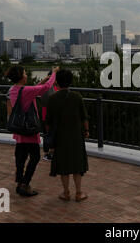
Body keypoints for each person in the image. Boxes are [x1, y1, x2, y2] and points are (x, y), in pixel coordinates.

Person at [5, 65, 59, 197]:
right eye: (25, 73)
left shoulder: (13, 89)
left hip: (19, 131)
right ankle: (25, 184)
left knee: (20, 158)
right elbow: (45, 89)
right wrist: (54, 74)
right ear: (22, 76)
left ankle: (19, 183)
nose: (26, 75)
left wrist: (43, 80)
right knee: (35, 157)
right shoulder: (25, 91)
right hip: (29, 131)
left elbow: (34, 90)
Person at [45, 69, 89, 202]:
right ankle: (79, 193)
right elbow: (84, 118)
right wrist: (86, 131)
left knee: (64, 166)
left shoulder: (52, 98)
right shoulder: (77, 97)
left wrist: (50, 135)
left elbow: (48, 122)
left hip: (60, 137)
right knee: (77, 165)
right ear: (71, 81)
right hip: (76, 136)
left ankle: (66, 193)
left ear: (57, 82)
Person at [40, 71, 59, 161]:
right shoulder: (47, 87)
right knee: (48, 134)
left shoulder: (57, 87)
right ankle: (47, 153)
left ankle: (52, 152)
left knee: (52, 134)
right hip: (47, 115)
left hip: (54, 116)